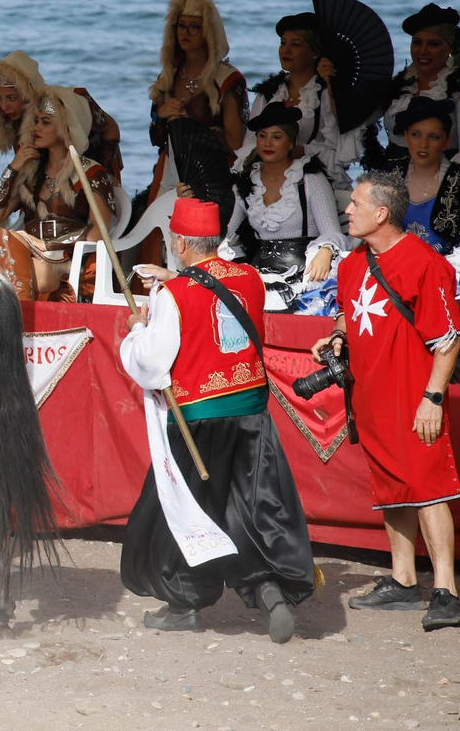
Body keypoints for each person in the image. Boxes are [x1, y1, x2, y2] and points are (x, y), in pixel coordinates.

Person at [119, 197, 316, 641]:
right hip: (250, 413)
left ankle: (183, 604)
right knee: (247, 507)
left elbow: (152, 363)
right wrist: (174, 284)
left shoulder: (174, 294)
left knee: (188, 509)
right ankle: (269, 591)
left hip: (198, 419)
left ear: (182, 243)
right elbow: (213, 290)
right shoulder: (249, 278)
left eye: (173, 240)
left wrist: (137, 329)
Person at [312, 171, 460, 630]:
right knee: (393, 485)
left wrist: (433, 397)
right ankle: (401, 582)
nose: (347, 210)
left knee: (428, 488)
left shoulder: (425, 263)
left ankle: (446, 590)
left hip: (414, 396)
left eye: (355, 203)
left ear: (381, 213)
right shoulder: (353, 263)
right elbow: (345, 309)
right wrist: (337, 334)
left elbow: (449, 341)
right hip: (370, 396)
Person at [0, 85, 116, 302]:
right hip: (28, 253)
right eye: (36, 120)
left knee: (7, 267)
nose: (36, 127)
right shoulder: (31, 172)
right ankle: (22, 314)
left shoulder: (90, 172)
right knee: (1, 241)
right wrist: (13, 168)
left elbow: (100, 231)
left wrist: (46, 244)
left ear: (67, 127)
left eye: (45, 122)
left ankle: (17, 320)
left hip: (64, 260)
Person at [219, 104, 347, 303]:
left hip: (304, 273)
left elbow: (332, 232)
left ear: (290, 143)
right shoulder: (245, 184)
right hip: (258, 275)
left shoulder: (309, 180)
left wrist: (326, 250)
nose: (268, 143)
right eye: (262, 136)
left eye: (277, 137)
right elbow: (224, 231)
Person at [236, 12, 351, 188]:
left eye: (295, 44)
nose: (285, 50)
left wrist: (303, 151)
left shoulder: (326, 94)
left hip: (318, 183)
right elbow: (250, 144)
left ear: (314, 52)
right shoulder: (268, 94)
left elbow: (342, 153)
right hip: (271, 184)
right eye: (283, 43)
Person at [148, 0, 247, 192]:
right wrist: (161, 115)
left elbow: (237, 146)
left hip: (214, 175)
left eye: (194, 27)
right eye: (181, 26)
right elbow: (156, 139)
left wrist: (191, 128)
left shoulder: (227, 79)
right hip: (172, 171)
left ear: (209, 33)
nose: (185, 32)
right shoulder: (168, 76)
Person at [0, 50, 121, 183]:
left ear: (28, 93)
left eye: (12, 98)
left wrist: (104, 171)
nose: (4, 106)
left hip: (88, 175)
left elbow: (111, 127)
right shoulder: (11, 117)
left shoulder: (64, 105)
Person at [366, 4, 460, 169]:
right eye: (417, 43)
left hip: (441, 179)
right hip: (391, 178)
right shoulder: (397, 85)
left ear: (449, 48)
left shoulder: (456, 89)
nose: (423, 51)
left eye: (433, 44)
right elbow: (358, 119)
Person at [396, 98, 460, 254]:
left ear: (447, 142)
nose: (423, 144)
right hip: (393, 270)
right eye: (416, 134)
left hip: (446, 270)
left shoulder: (457, 180)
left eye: (433, 137)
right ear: (406, 136)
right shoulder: (392, 175)